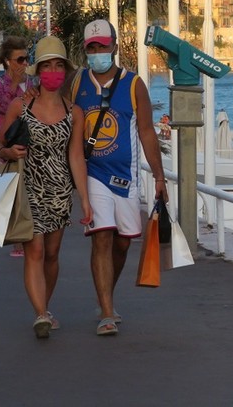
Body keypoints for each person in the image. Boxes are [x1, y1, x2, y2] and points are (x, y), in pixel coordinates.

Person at [70, 19, 168, 336]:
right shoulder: (77, 83)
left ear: (114, 46)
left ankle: (105, 295)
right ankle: (108, 313)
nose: (98, 52)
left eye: (102, 46)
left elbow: (146, 132)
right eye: (92, 48)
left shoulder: (133, 84)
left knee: (124, 243)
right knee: (101, 237)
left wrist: (159, 176)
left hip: (126, 178)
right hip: (93, 173)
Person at [0, 36, 92, 339]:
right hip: (28, 188)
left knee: (52, 254)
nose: (52, 71)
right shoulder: (20, 106)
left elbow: (75, 156)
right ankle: (39, 314)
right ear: (38, 70)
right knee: (34, 249)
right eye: (46, 65)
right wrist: (8, 152)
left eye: (58, 66)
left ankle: (45, 308)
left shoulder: (74, 112)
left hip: (60, 190)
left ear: (65, 70)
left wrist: (85, 202)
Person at [0, 36, 34, 257]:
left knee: (27, 193)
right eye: (20, 59)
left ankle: (26, 239)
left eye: (27, 59)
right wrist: (15, 84)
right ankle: (16, 240)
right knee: (10, 195)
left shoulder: (33, 83)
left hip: (28, 146)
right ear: (7, 61)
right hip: (4, 145)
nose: (24, 64)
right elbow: (2, 105)